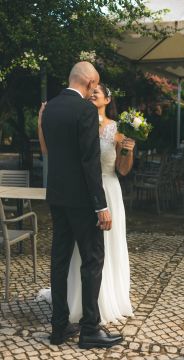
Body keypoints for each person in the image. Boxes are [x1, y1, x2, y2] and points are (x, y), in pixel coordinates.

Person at [38, 82, 135, 326]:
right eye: (90, 92)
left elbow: (122, 170)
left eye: (97, 93)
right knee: (81, 256)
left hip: (108, 192)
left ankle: (106, 301)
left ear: (106, 100)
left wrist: (128, 151)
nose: (92, 95)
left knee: (105, 251)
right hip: (81, 195)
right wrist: (41, 123)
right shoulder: (79, 123)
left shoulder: (117, 131)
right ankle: (79, 305)